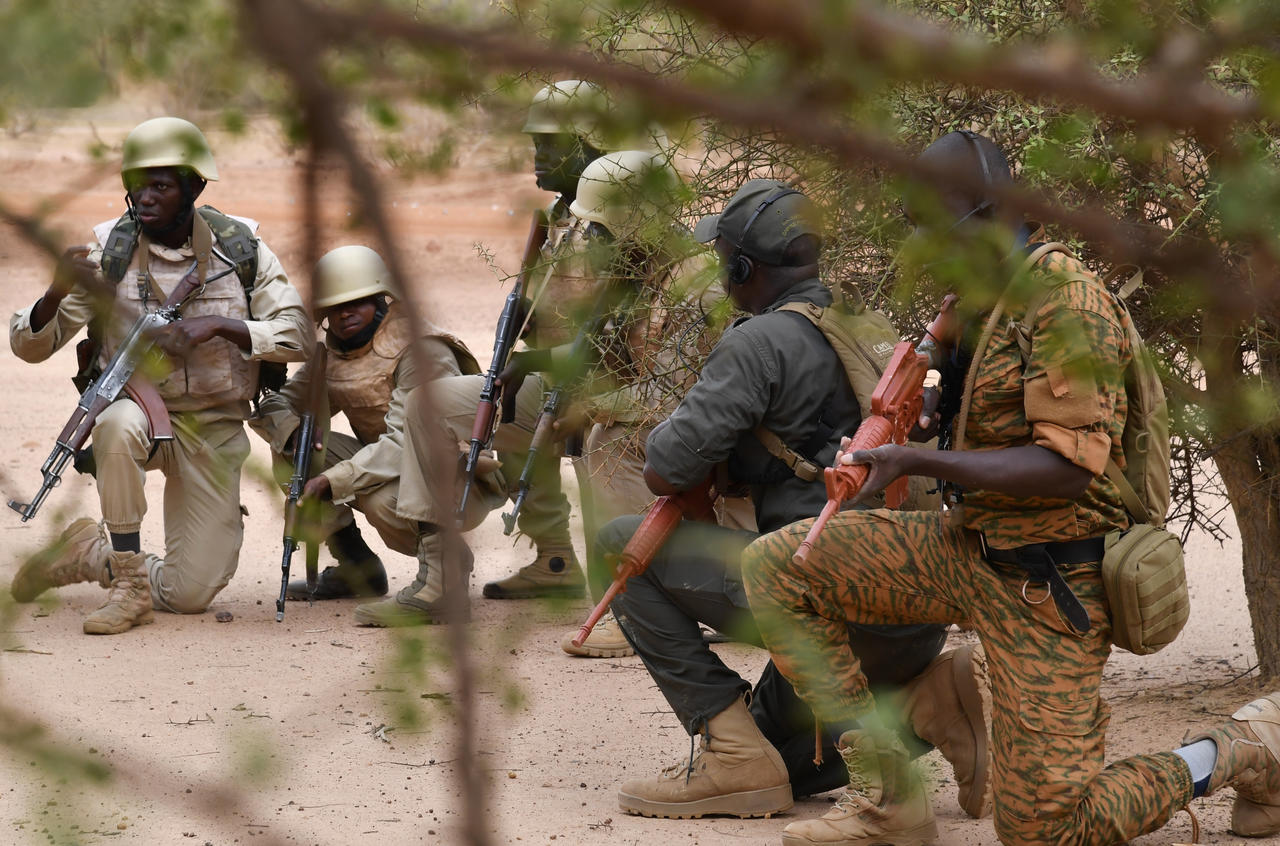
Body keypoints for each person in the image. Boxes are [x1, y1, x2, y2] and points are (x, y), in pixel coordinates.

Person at [741, 131, 1280, 845]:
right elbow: (965, 406)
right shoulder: (981, 296)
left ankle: (1243, 749)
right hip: (968, 546)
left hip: (1052, 581)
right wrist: (923, 414)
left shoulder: (1066, 302)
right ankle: (888, 792)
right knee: (782, 567)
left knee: (1045, 830)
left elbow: (1065, 467)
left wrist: (916, 463)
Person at [598, 178, 987, 821]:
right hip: (910, 613)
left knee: (619, 543)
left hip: (818, 600)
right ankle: (933, 701)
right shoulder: (865, 326)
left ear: (743, 266)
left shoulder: (758, 343)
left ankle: (729, 756)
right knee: (784, 765)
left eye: (725, 258)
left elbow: (666, 467)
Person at [9, 116, 309, 634]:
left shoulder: (241, 250)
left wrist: (223, 325)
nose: (145, 198)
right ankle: (128, 585)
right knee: (117, 424)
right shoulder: (111, 253)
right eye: (136, 186)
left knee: (189, 594)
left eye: (161, 186)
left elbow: (299, 335)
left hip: (213, 428)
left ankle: (88, 552)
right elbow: (29, 348)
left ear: (194, 187)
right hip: (139, 415)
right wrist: (54, 295)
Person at [351, 80, 609, 624]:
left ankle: (620, 602)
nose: (536, 157)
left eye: (551, 144)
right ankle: (502, 568)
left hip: (612, 389)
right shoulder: (564, 218)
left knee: (566, 429)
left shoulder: (617, 217)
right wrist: (522, 325)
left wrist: (533, 360)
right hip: (553, 379)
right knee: (446, 402)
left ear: (590, 142)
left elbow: (611, 340)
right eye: (535, 143)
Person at [250, 245, 497, 603]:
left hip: (447, 479)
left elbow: (403, 443)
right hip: (387, 464)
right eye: (334, 307)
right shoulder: (335, 352)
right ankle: (356, 567)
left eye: (358, 301)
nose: (345, 313)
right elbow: (279, 402)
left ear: (382, 298)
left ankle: (444, 564)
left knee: (381, 499)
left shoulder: (420, 350)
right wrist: (293, 431)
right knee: (296, 452)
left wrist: (331, 481)